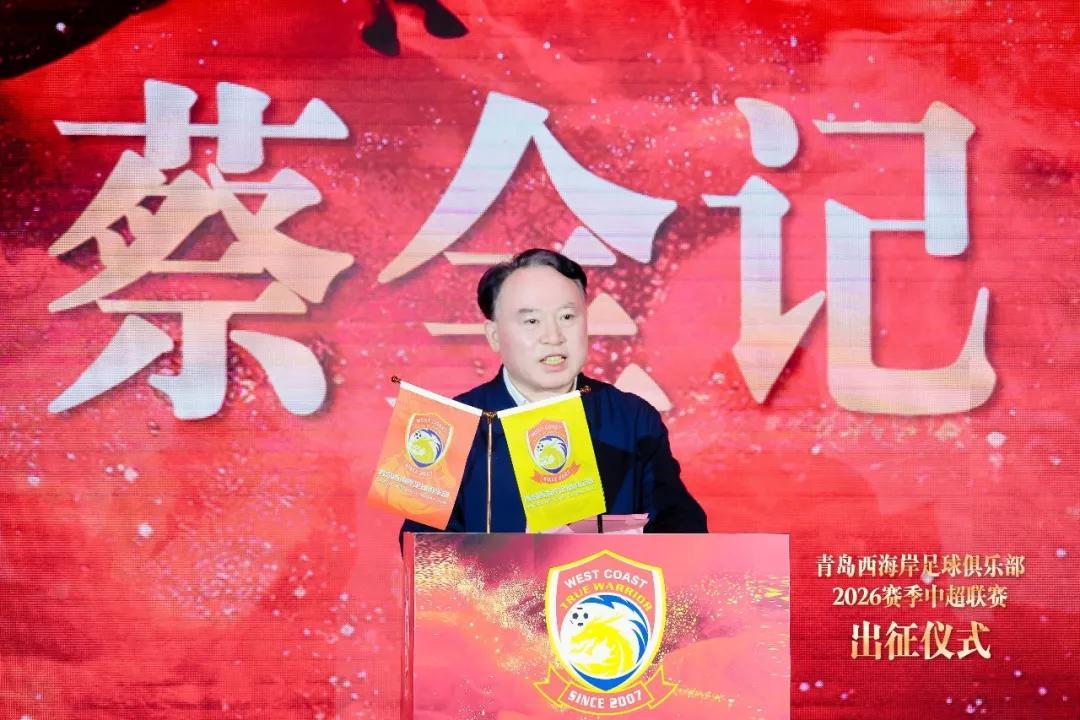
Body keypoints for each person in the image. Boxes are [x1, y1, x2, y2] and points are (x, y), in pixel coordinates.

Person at [401, 249, 707, 536]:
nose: (553, 336)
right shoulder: (445, 425)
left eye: (567, 317)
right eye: (532, 321)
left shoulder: (632, 418)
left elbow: (682, 533)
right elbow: (421, 549)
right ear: (494, 336)